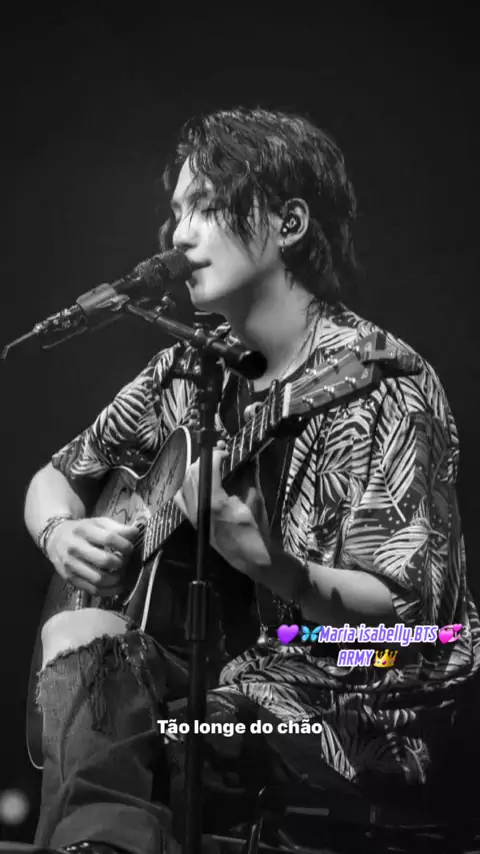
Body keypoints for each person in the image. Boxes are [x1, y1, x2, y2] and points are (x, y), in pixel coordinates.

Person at [23, 106, 480, 854]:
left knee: (128, 746)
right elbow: (54, 477)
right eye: (176, 212)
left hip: (360, 705)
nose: (179, 235)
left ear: (289, 223)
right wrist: (60, 532)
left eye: (205, 207)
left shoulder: (381, 383)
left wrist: (270, 564)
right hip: (229, 683)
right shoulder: (187, 369)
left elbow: (410, 625)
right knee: (79, 637)